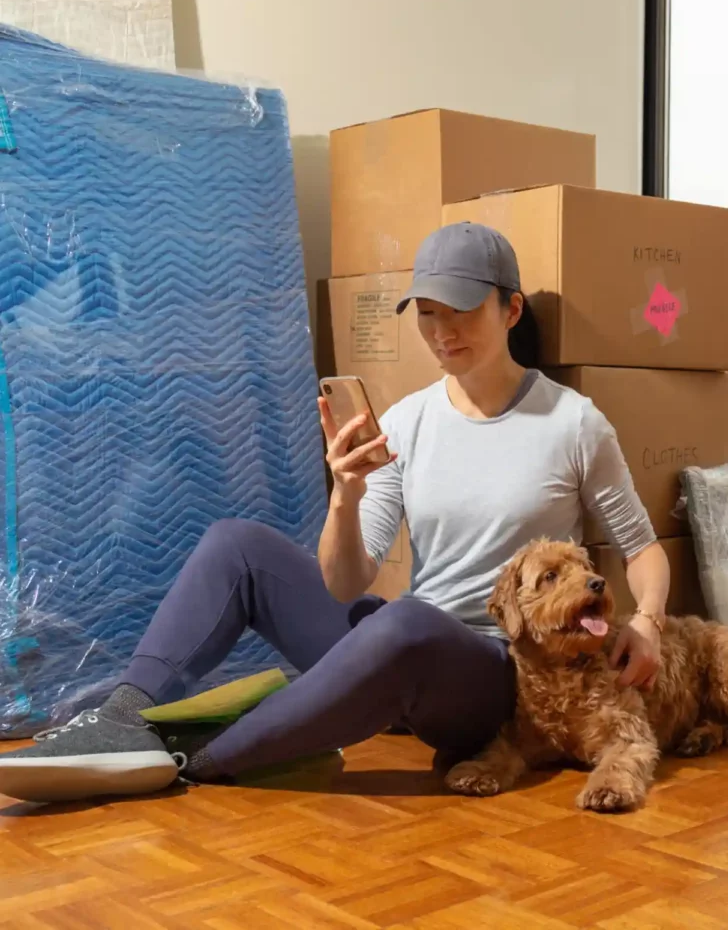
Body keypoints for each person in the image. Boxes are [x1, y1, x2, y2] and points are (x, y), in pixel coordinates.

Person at [0, 222, 670, 804]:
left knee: (407, 622)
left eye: (462, 310)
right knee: (239, 546)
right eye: (429, 313)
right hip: (405, 648)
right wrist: (345, 498)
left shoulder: (573, 423)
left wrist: (646, 622)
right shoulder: (406, 422)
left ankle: (197, 759)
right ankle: (125, 717)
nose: (444, 331)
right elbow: (347, 584)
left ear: (512, 309)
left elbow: (643, 549)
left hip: (502, 674)